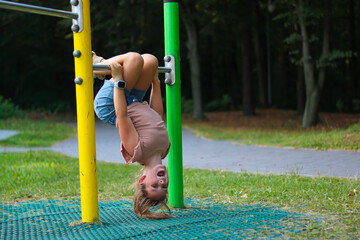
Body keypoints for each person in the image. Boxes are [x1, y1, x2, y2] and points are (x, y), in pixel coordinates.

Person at [93, 52, 172, 219]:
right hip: (134, 100)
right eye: (164, 188)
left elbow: (122, 117)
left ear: (142, 180)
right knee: (151, 61)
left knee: (134, 59)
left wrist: (118, 81)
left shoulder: (138, 152)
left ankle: (98, 66)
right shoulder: (164, 150)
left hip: (112, 105)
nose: (161, 183)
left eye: (154, 186)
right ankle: (106, 68)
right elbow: (156, 116)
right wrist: (156, 83)